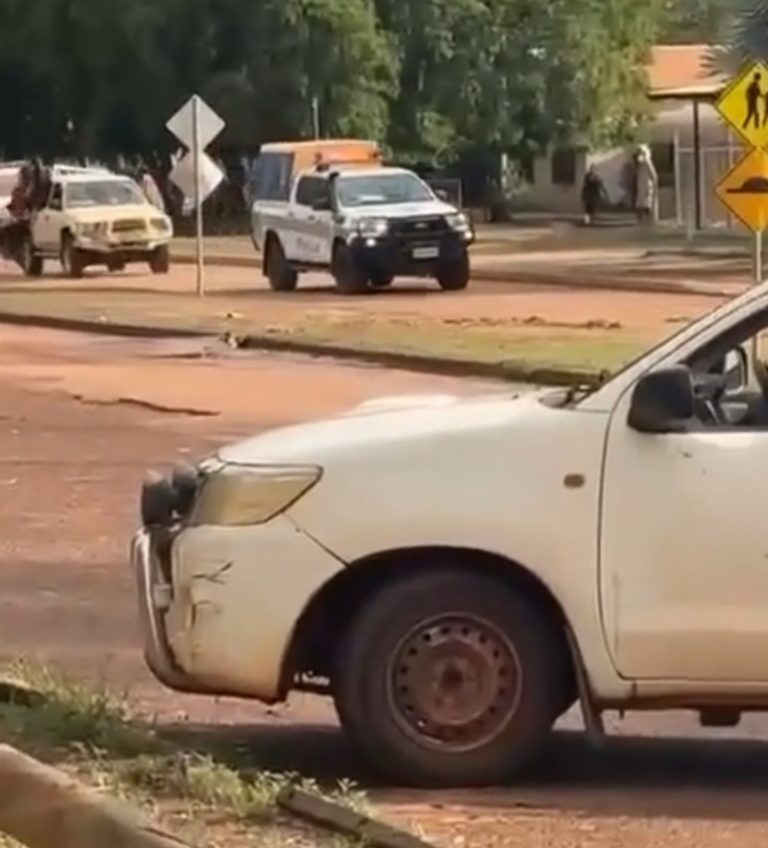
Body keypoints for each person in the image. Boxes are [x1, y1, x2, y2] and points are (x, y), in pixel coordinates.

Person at [634, 145, 658, 226]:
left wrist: (653, 185)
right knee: (640, 204)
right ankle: (641, 221)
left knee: (647, 204)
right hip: (641, 186)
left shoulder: (647, 162)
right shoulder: (639, 164)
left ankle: (648, 221)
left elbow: (653, 174)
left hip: (647, 186)